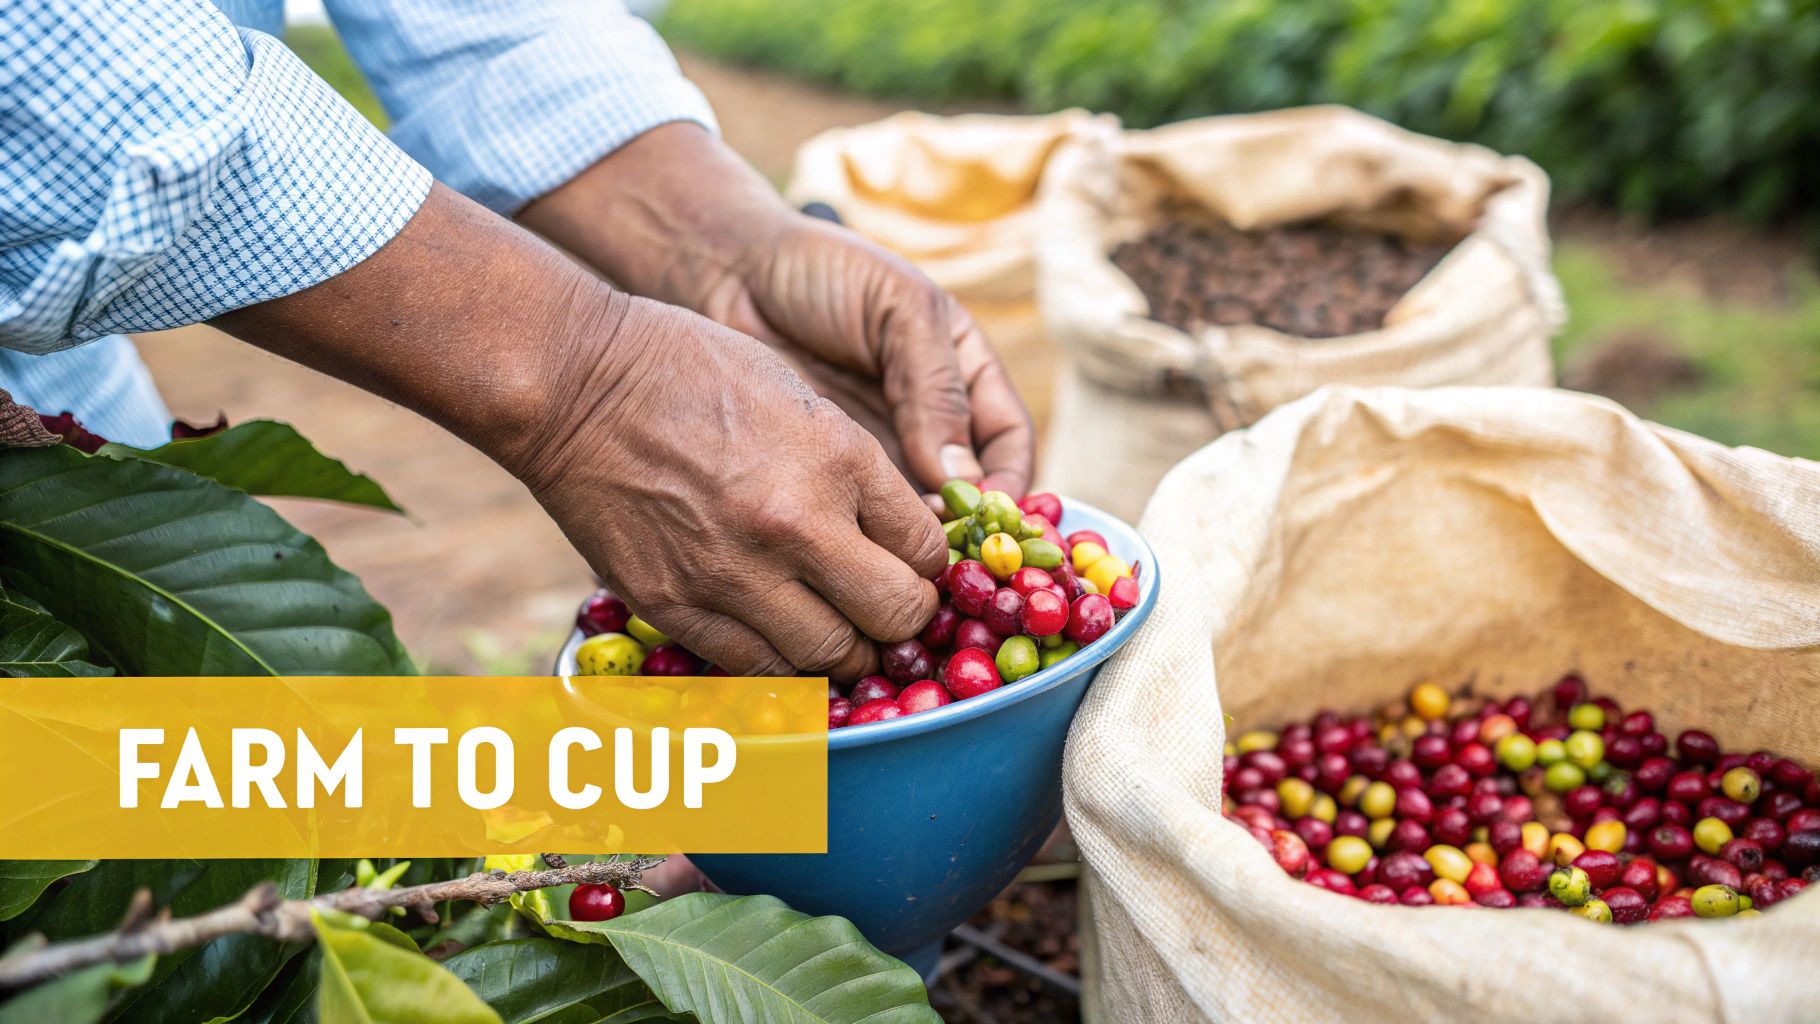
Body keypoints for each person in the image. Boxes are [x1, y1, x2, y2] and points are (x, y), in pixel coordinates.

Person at [0, 0, 1033, 680]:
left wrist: (726, 247)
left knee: (208, 789)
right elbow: (49, 66)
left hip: (54, 384)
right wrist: (585, 377)